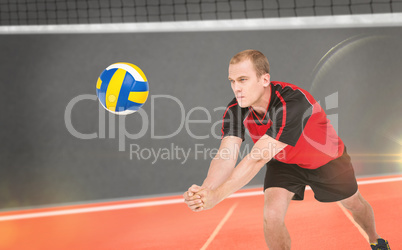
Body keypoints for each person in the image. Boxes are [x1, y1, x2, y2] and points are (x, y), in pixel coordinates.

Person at [183, 50, 390, 250]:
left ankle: (375, 240)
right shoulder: (235, 109)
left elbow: (256, 159)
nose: (236, 88)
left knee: (354, 204)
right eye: (232, 81)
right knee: (271, 216)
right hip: (284, 162)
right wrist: (205, 191)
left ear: (264, 79)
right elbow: (226, 154)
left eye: (243, 80)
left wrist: (216, 197)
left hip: (327, 160)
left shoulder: (292, 103)